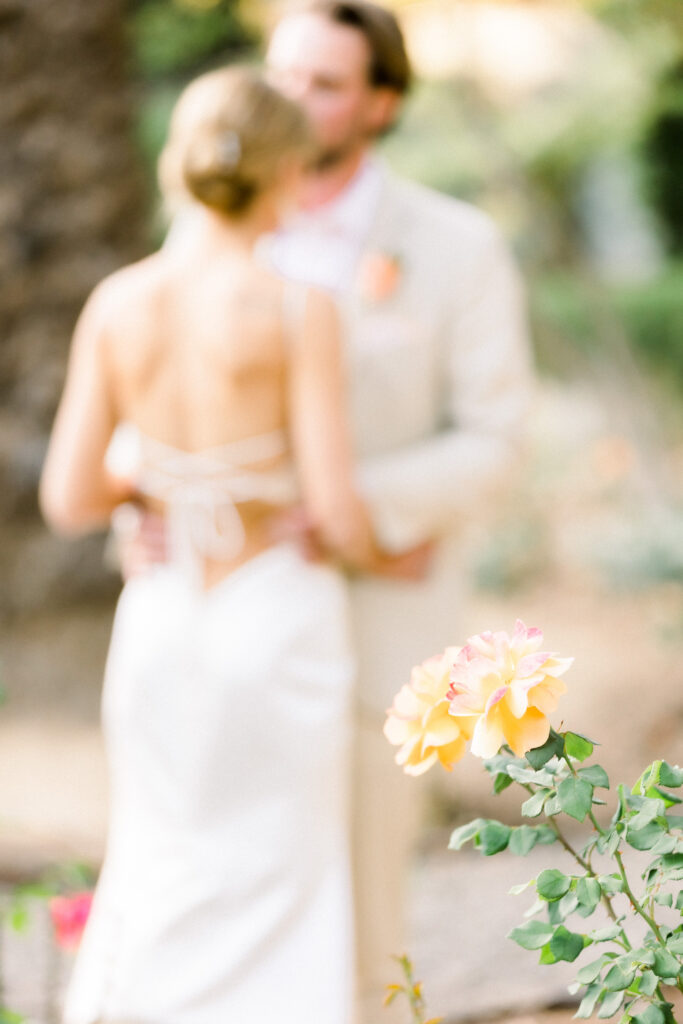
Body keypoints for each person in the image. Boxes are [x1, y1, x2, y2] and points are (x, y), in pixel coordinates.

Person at [122, 2, 533, 1018]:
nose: (294, 102)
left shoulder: (455, 245)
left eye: (326, 84)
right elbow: (137, 415)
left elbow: (495, 438)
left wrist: (353, 513)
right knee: (207, 885)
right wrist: (149, 498)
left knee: (358, 907)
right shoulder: (197, 232)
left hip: (373, 621)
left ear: (380, 104)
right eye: (283, 74)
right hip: (218, 626)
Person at [40, 67, 384, 1024]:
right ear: (285, 172)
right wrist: (356, 535)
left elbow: (68, 494)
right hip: (273, 612)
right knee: (286, 865)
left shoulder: (118, 303)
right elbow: (339, 511)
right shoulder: (295, 307)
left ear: (174, 166)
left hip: (163, 614)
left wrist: (148, 484)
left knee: (162, 847)